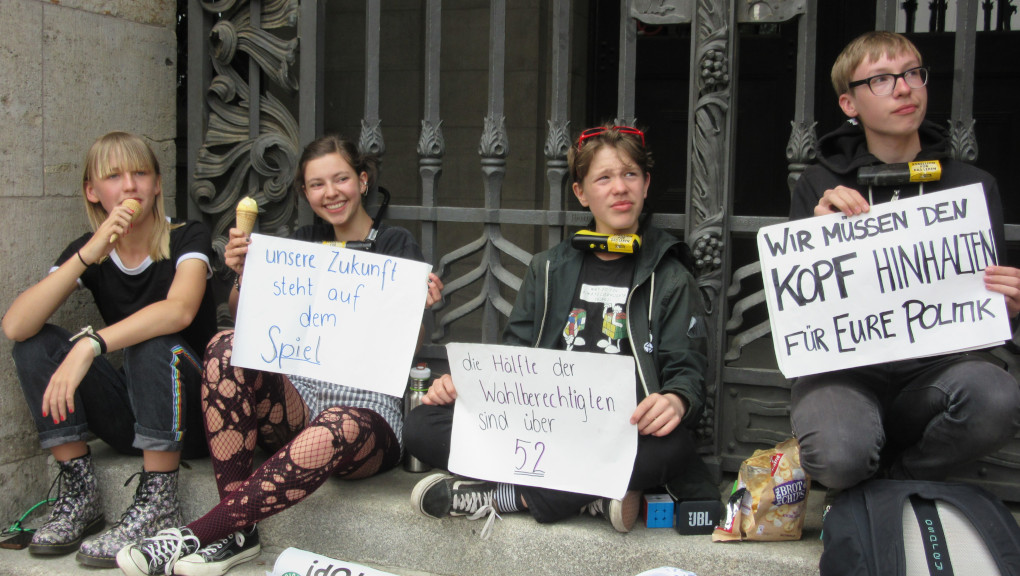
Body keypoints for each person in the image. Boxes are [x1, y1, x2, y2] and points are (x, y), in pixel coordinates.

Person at [116, 134, 443, 576]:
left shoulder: (396, 242)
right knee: (224, 345)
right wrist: (244, 275)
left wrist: (417, 307)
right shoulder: (302, 241)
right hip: (299, 402)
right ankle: (239, 536)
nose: (331, 193)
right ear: (305, 194)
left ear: (363, 181)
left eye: (341, 178)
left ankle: (204, 531)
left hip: (367, 418)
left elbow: (412, 342)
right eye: (316, 184)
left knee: (335, 424)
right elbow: (246, 315)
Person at [402, 124, 713, 536]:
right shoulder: (548, 268)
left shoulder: (670, 276)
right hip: (545, 429)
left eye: (630, 175)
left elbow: (687, 373)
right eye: (604, 178)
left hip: (620, 435)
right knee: (421, 424)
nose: (620, 188)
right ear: (582, 193)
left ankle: (506, 496)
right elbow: (513, 356)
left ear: (646, 183)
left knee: (674, 447)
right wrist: (466, 386)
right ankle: (596, 497)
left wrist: (676, 400)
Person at [788, 31, 1020, 492]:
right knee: (838, 454)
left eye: (913, 73)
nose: (903, 88)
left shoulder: (971, 186)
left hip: (935, 372)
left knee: (998, 398)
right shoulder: (819, 187)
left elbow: (985, 300)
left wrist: (1009, 303)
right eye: (881, 79)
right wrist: (816, 237)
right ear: (849, 104)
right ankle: (863, 468)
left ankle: (900, 481)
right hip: (844, 371)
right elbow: (798, 308)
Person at [1, 131, 216, 567]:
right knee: (34, 343)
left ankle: (158, 500)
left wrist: (91, 346)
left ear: (157, 184)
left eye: (140, 173)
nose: (130, 186)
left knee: (150, 336)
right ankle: (80, 492)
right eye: (114, 176)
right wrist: (90, 252)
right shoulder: (91, 250)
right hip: (133, 418)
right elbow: (15, 325)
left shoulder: (187, 237)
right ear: (93, 191)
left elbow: (178, 311)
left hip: (195, 417)